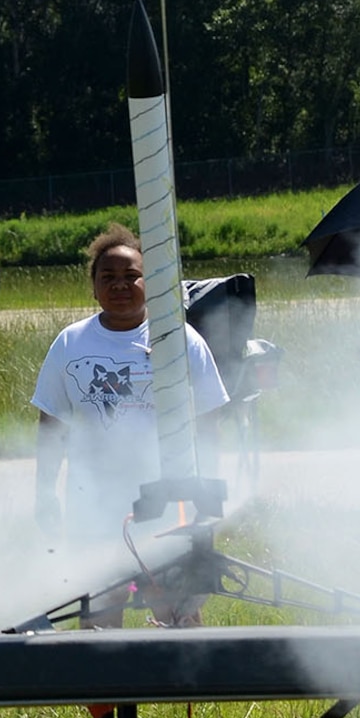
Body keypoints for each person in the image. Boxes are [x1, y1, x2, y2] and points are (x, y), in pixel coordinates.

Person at [33, 223, 228, 552]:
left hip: (169, 493)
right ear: (94, 288)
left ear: (149, 283)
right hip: (91, 497)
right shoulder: (70, 342)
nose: (120, 285)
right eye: (107, 277)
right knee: (102, 597)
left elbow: (210, 416)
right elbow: (52, 424)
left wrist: (205, 486)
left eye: (131, 275)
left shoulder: (179, 339)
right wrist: (45, 491)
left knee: (173, 600)